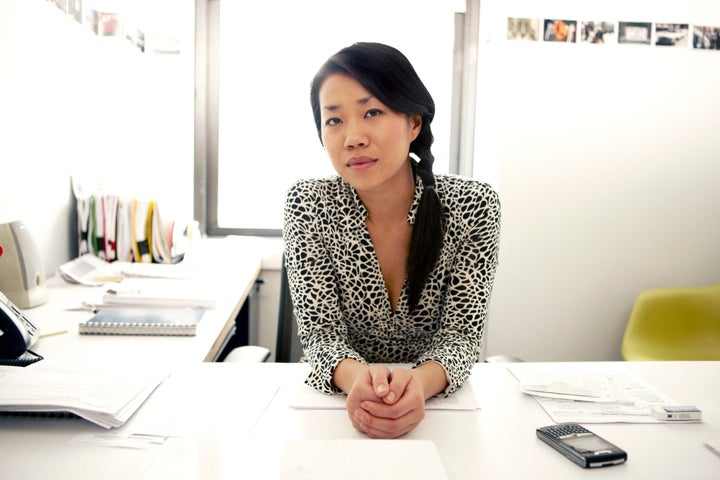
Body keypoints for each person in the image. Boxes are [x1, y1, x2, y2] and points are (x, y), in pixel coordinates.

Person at [283, 42, 501, 439]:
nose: (352, 137)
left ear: (414, 122)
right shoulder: (308, 203)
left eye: (372, 112)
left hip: (442, 415)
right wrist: (361, 382)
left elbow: (460, 336)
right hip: (338, 414)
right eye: (333, 120)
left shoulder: (473, 206)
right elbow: (320, 335)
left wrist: (418, 384)